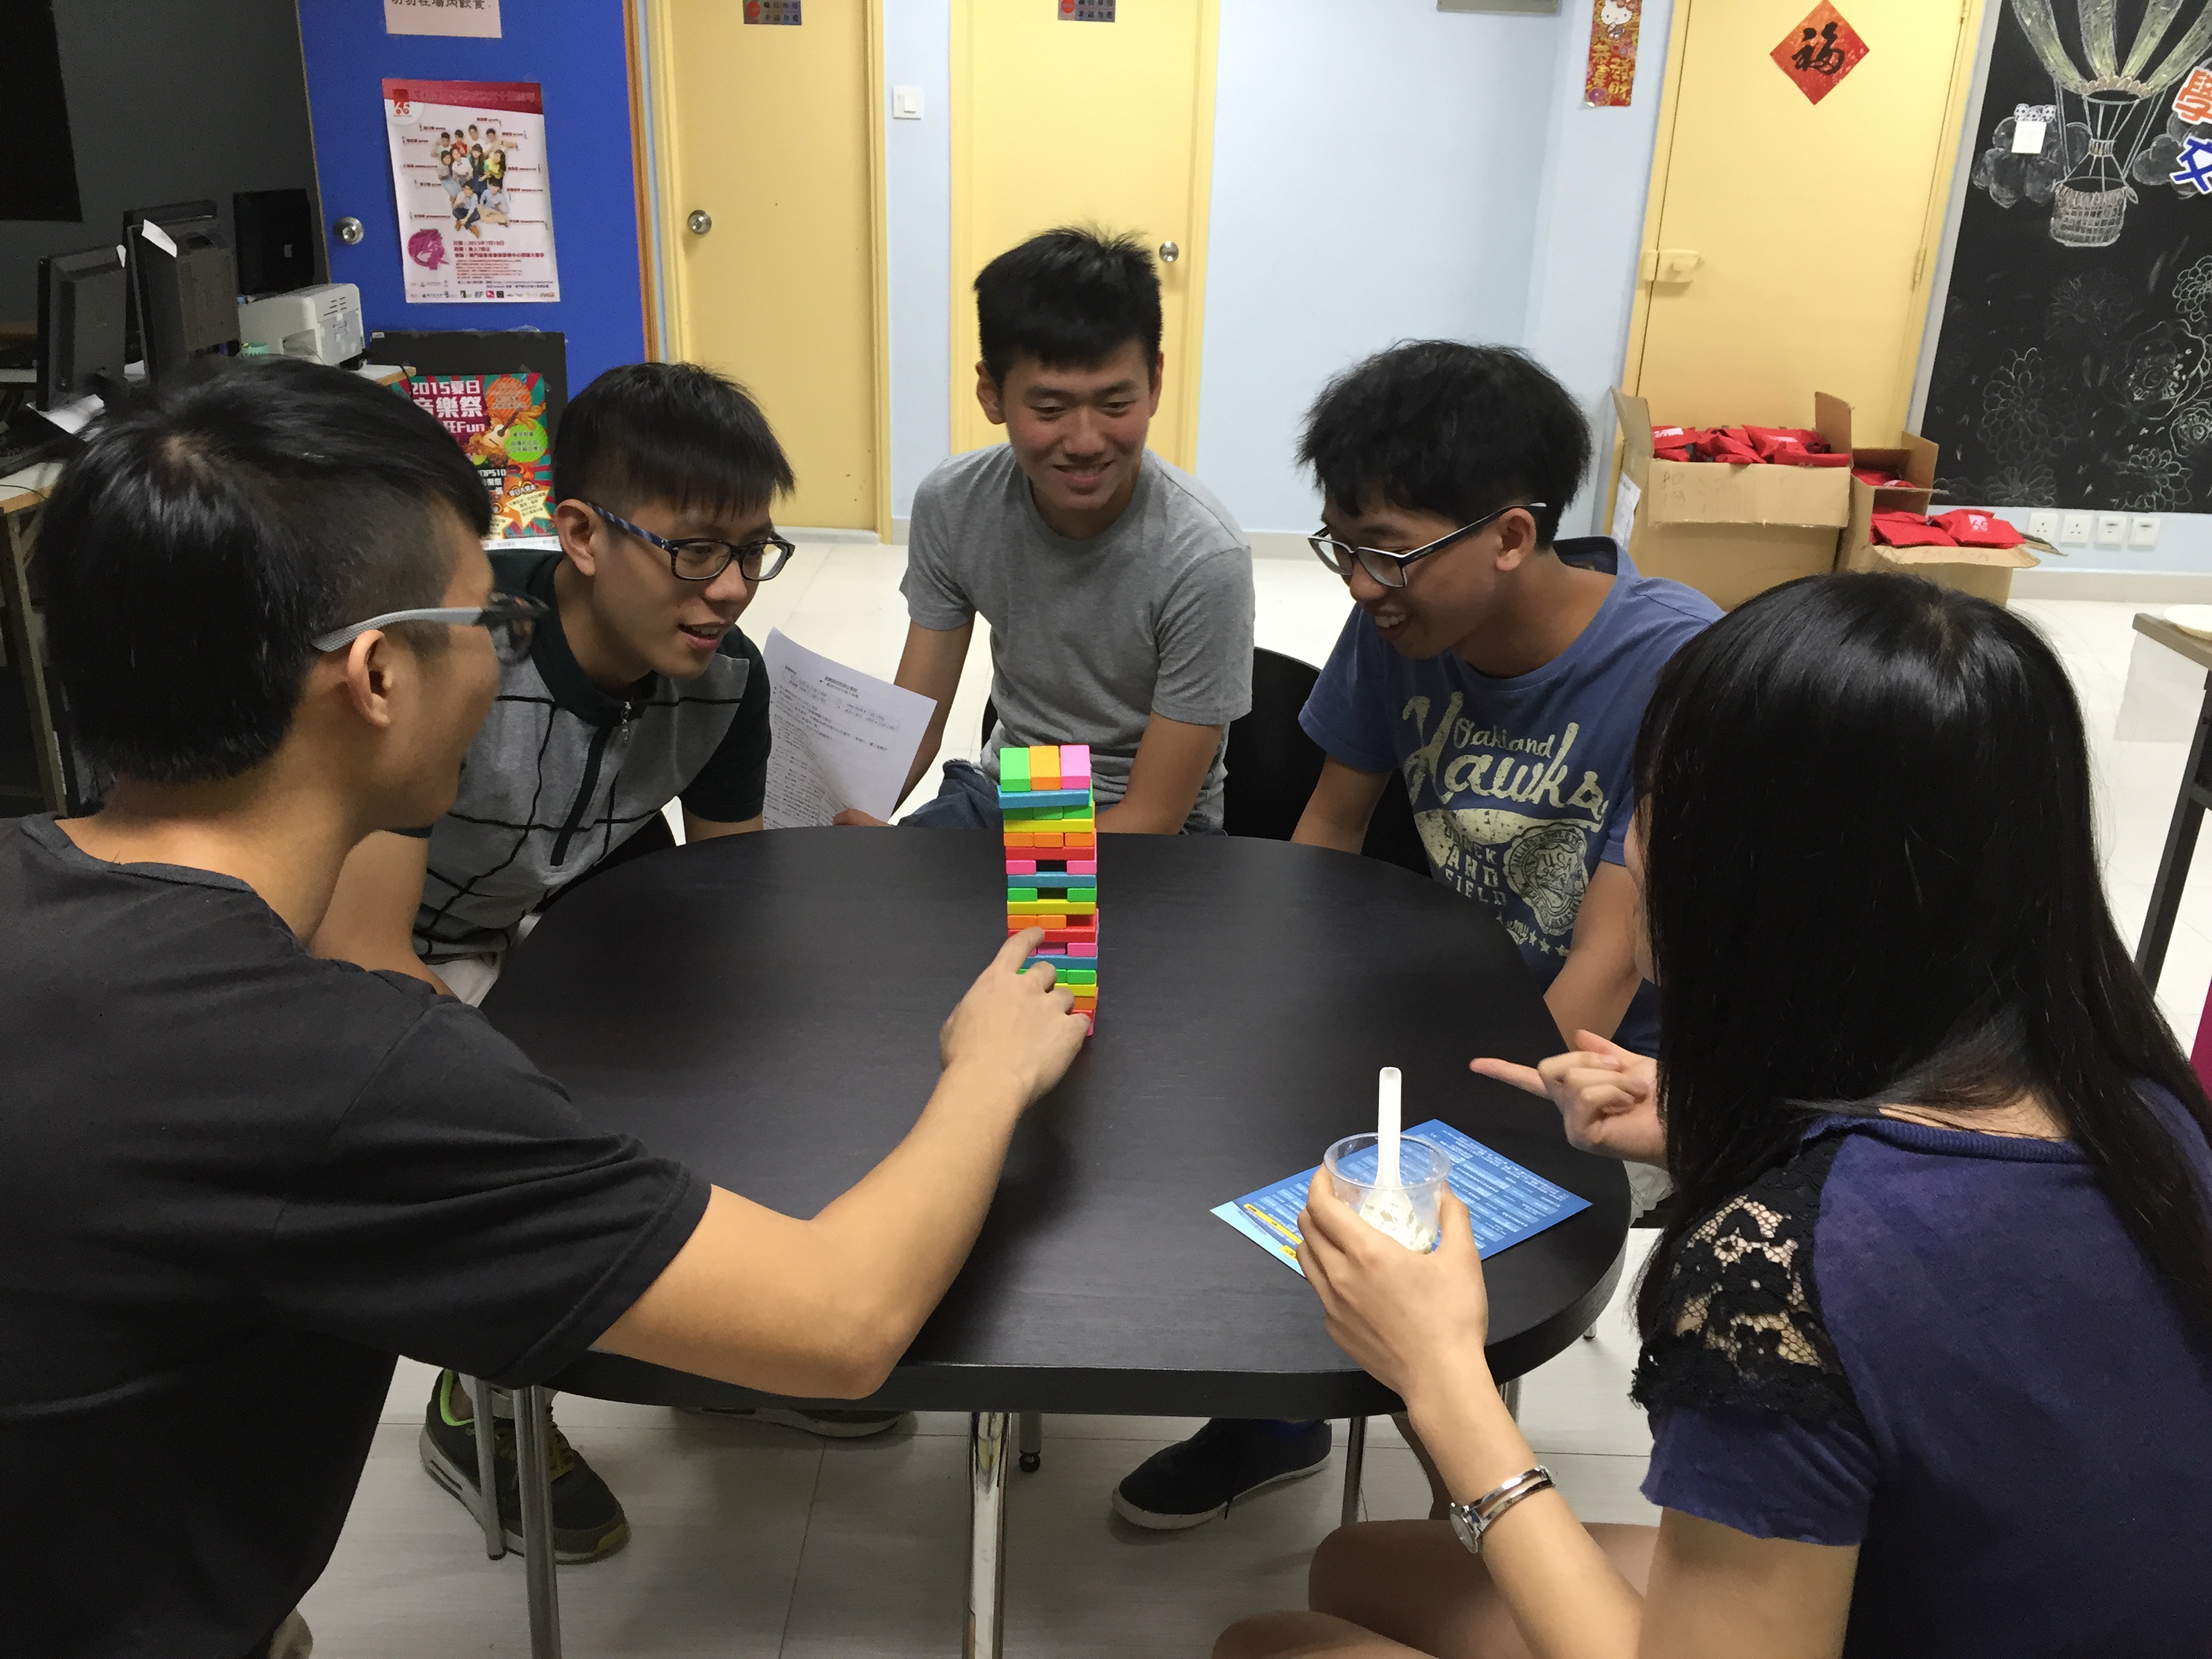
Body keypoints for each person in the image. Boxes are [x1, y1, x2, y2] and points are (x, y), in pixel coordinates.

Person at [1, 356, 1088, 1659]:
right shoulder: (346, 1065)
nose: (499, 649)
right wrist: (989, 1062)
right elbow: (843, 1319)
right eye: (480, 620)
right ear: (378, 676)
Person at [1217, 573, 2212, 1659]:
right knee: (1358, 1566)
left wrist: (1441, 1376)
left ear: (1762, 874)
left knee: (1272, 1644)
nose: (1626, 847)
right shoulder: (2138, 1101)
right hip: (1963, 1583)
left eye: (1646, 806)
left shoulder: (1771, 1271)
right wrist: (1727, 1126)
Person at [1111, 343, 1717, 1532]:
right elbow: (1330, 828)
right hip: (1436, 1003)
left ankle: (1477, 1529)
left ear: (1510, 535)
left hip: (1608, 1068)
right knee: (1202, 1109)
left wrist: (1456, 1132)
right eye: (1341, 546)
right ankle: (1276, 1411)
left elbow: (1606, 961)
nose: (1360, 586)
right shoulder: (1399, 630)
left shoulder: (1673, 665)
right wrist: (1262, 1002)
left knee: (1409, 1216)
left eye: (1387, 551)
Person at [310, 359, 894, 1556]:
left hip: (554, 910)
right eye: (694, 550)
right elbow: (363, 955)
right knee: (504, 1128)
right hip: (396, 939)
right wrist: (526, 1100)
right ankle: (478, 1405)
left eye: (753, 552)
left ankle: (719, 1350)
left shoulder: (727, 681)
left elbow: (729, 902)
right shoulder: (462, 655)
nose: (728, 589)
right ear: (578, 534)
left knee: (743, 1050)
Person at [848, 226, 1254, 834]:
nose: (1086, 442)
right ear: (991, 393)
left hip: (1150, 836)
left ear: (1155, 382)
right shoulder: (955, 504)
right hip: (1015, 792)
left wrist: (974, 878)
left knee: (973, 898)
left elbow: (1155, 815)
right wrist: (855, 819)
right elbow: (915, 722)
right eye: (1050, 409)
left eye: (1115, 405)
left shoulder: (1203, 556)